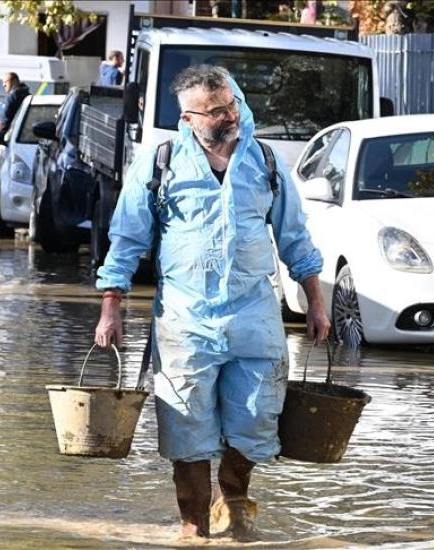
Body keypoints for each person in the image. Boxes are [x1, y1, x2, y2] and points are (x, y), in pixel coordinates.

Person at [94, 65, 330, 541]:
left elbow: (295, 238)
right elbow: (126, 240)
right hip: (185, 321)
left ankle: (233, 496)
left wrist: (316, 302)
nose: (229, 116)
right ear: (188, 118)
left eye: (231, 105)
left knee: (259, 421)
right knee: (187, 431)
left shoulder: (263, 161)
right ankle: (193, 530)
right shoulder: (159, 162)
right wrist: (111, 307)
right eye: (216, 110)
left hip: (254, 316)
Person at [0, 72, 30, 136]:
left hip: (12, 135)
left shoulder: (11, 97)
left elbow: (5, 119)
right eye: (3, 82)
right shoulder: (28, 96)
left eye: (6, 82)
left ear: (15, 81)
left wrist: (2, 134)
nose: (3, 85)